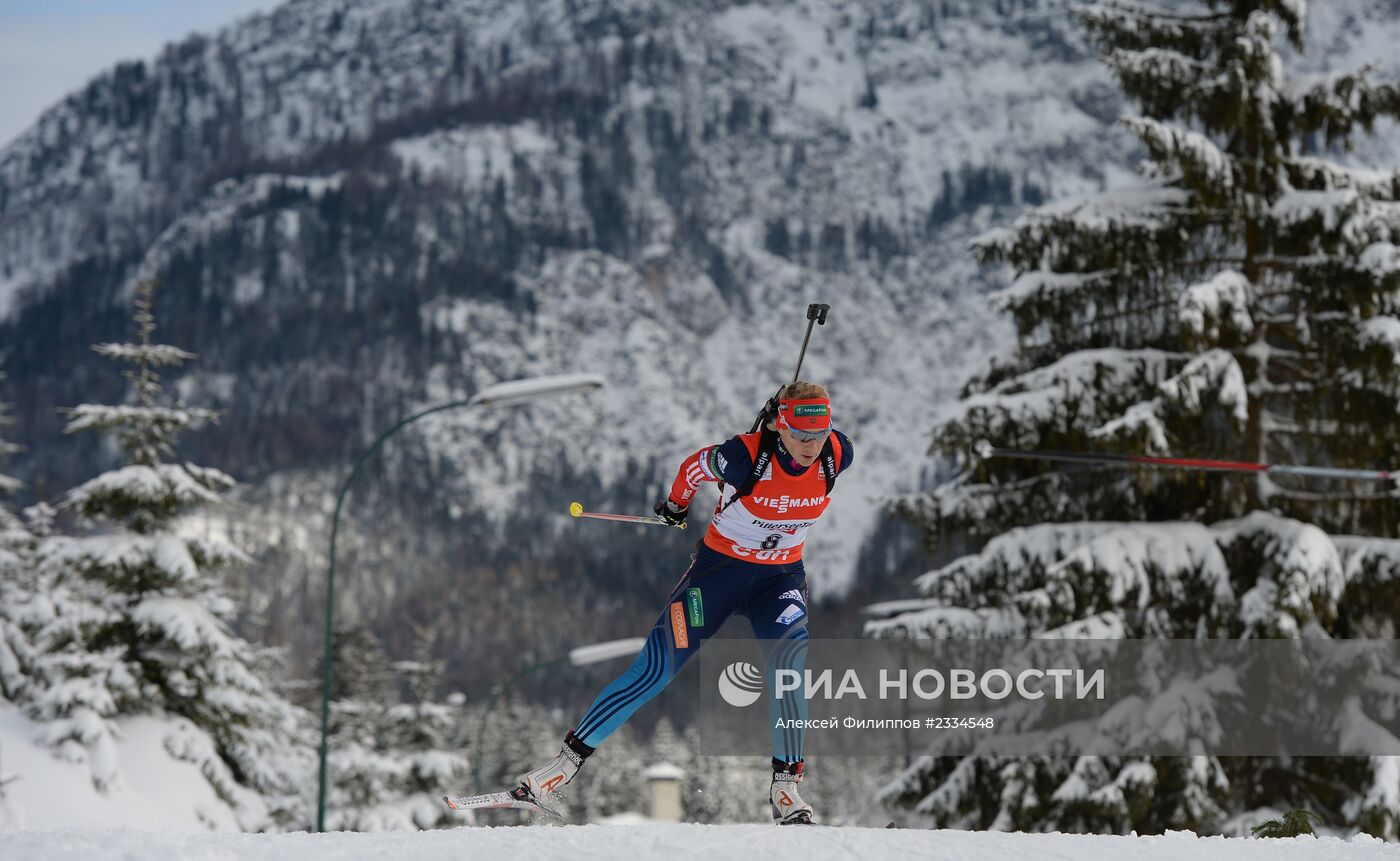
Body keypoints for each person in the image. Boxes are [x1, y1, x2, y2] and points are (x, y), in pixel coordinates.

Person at [512, 381, 854, 824]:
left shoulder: (837, 454)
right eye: (801, 435)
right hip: (717, 576)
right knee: (655, 670)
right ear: (780, 425)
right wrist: (676, 506)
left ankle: (786, 789)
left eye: (820, 433)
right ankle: (553, 773)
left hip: (780, 580)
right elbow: (695, 466)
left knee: (788, 669)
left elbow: (822, 449)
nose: (812, 446)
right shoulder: (746, 455)